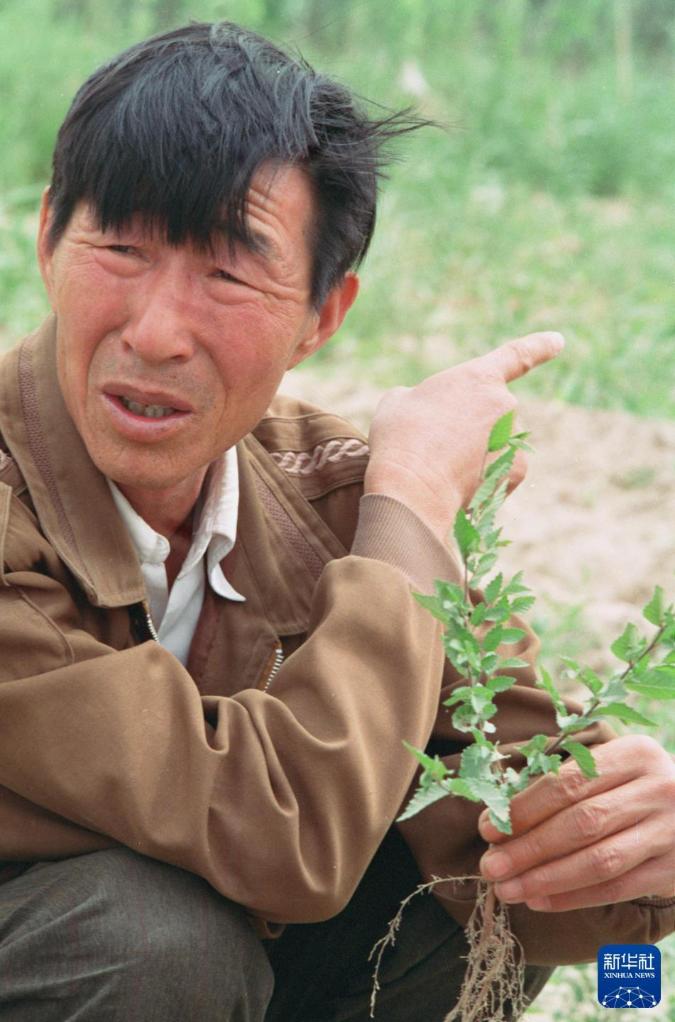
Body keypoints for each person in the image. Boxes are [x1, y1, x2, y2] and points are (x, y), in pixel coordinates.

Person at [0, 20, 672, 1022]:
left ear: (324, 314)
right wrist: (414, 506)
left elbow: (528, 856)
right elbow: (285, 836)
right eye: (121, 249)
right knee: (153, 942)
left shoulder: (338, 493)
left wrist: (632, 840)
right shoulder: (394, 504)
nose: (157, 331)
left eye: (228, 274)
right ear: (49, 237)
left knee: (458, 917)